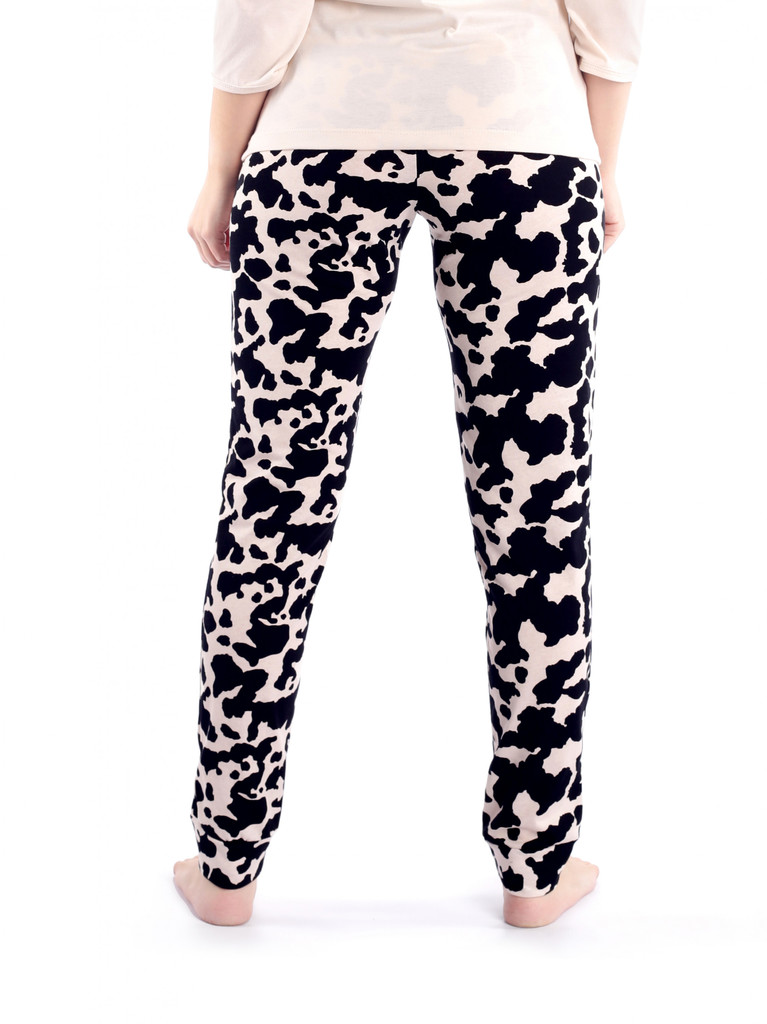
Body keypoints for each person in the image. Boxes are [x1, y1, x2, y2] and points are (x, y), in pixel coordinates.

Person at [174, 0, 646, 928]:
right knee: (537, 516)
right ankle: (536, 868)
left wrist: (219, 171)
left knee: (272, 504)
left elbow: (261, 14)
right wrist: (601, 162)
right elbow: (613, 22)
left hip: (319, 145)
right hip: (523, 142)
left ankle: (226, 867)